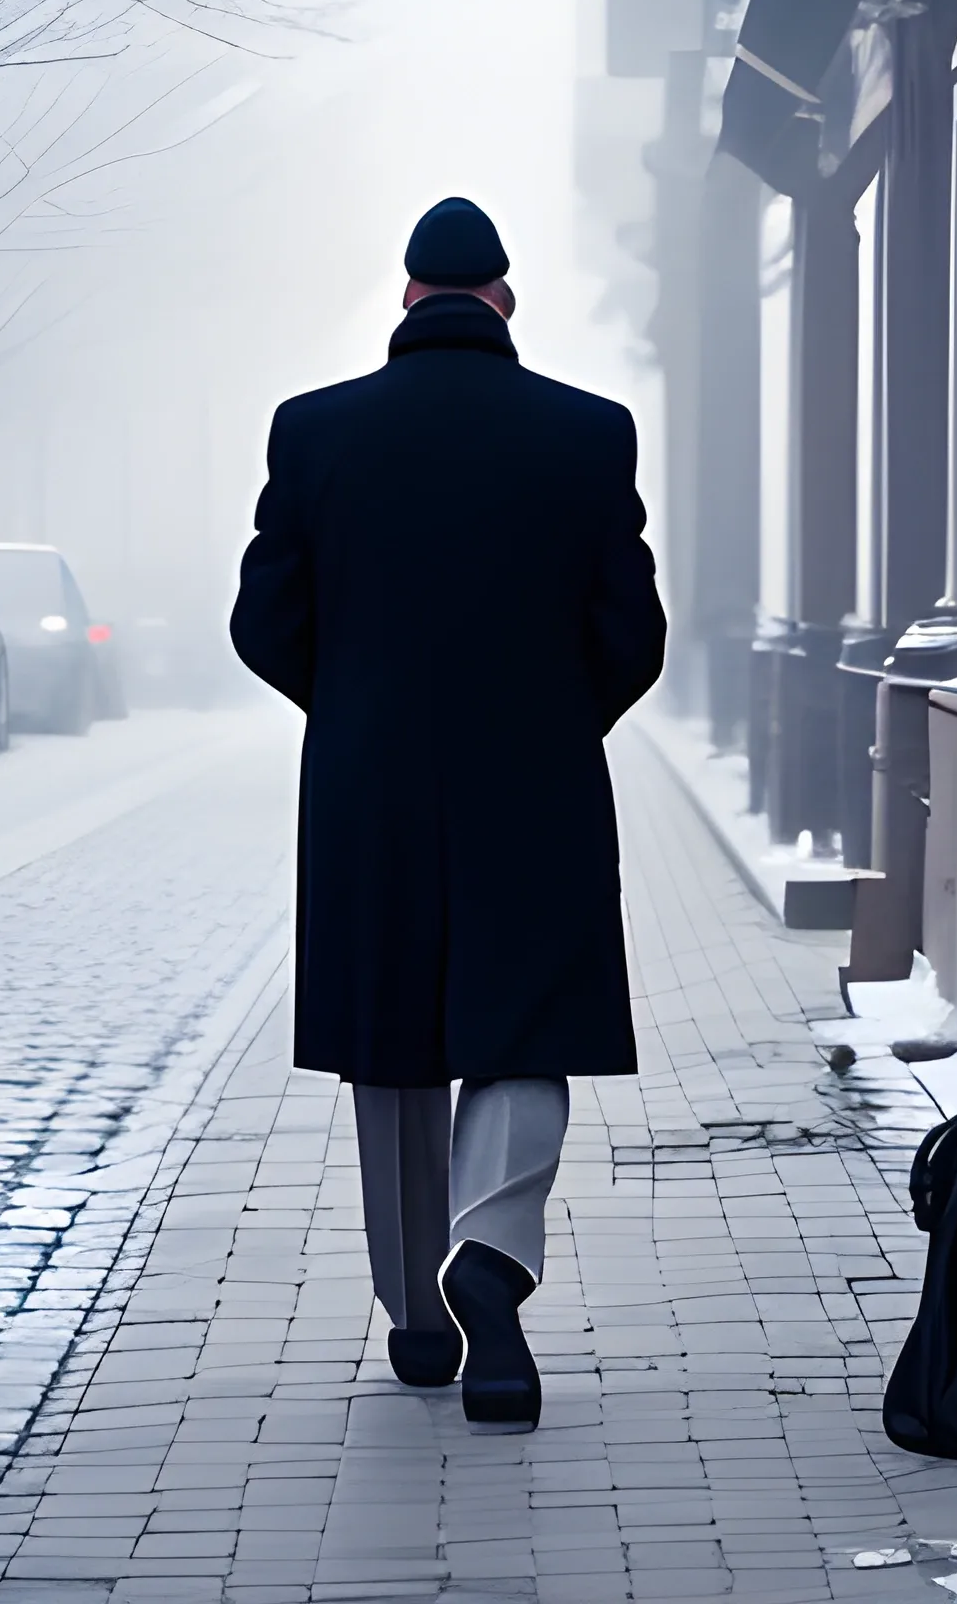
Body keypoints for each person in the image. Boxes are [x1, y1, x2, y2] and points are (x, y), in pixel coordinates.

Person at [230, 195, 666, 1428]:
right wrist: (550, 715)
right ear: (504, 303)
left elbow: (263, 621)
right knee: (519, 1028)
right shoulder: (587, 433)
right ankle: (490, 1257)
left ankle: (417, 1314)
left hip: (370, 785)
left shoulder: (315, 432)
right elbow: (631, 630)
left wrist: (360, 701)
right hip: (534, 780)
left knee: (395, 1039)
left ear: (407, 299)